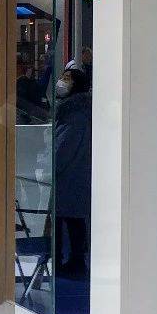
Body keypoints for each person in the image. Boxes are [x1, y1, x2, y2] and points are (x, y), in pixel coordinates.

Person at [53, 65, 92, 279]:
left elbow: (64, 147)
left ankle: (65, 260)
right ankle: (75, 259)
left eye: (67, 78)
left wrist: (52, 165)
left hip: (70, 174)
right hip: (78, 172)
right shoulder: (82, 110)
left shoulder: (73, 114)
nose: (62, 81)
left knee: (67, 218)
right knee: (74, 219)